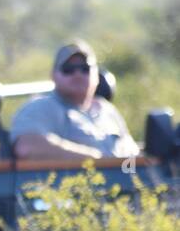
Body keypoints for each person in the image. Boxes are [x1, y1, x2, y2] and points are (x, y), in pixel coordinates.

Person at [10, 41, 139, 161]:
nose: (77, 74)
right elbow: (27, 146)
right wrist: (94, 158)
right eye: (68, 69)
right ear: (53, 75)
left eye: (85, 68)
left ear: (97, 75)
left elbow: (132, 152)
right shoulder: (42, 107)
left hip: (123, 181)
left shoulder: (107, 110)